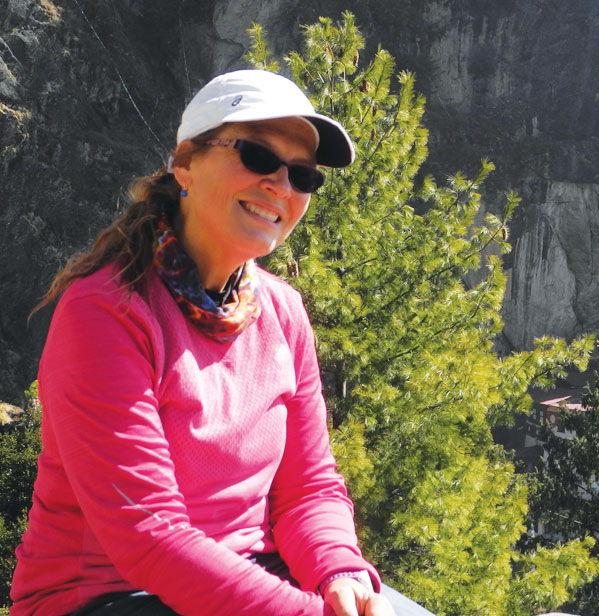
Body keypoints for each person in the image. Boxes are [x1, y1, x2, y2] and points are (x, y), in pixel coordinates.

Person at [10, 69, 395, 616]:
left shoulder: (283, 313)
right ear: (185, 164)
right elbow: (150, 534)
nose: (281, 186)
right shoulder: (105, 313)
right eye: (259, 157)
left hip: (251, 582)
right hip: (109, 598)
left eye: (304, 175)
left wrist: (340, 568)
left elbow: (309, 487)